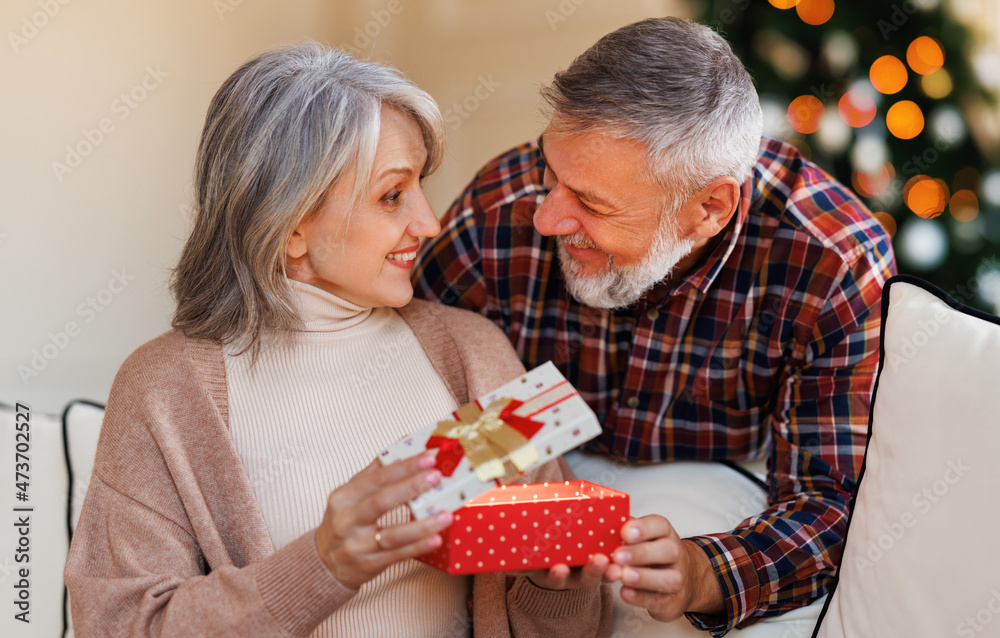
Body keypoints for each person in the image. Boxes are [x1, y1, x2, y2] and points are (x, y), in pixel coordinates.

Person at [64, 43, 612, 637]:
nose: (428, 223)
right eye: (391, 195)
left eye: (419, 185)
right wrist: (324, 563)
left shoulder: (472, 352)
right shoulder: (165, 387)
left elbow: (555, 626)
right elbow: (122, 627)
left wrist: (555, 585)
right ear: (291, 223)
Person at [413, 16, 897, 636]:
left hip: (718, 490)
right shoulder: (499, 209)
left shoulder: (832, 261)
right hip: (523, 464)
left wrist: (705, 572)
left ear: (709, 208)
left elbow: (833, 502)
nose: (545, 218)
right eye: (550, 173)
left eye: (591, 204)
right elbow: (408, 380)